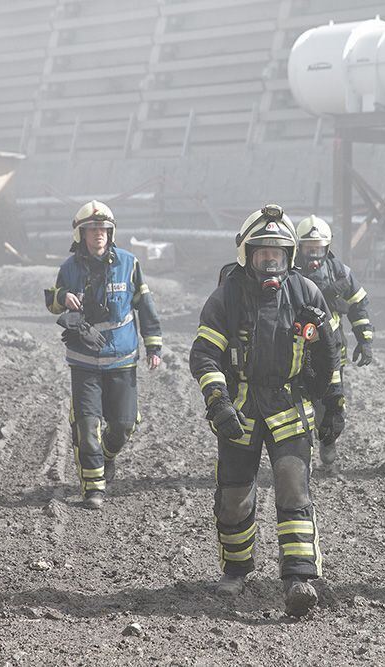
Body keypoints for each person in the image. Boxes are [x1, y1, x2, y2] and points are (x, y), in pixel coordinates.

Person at [189, 204, 345, 617]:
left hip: (289, 408)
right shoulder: (226, 297)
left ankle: (300, 577)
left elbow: (329, 357)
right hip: (238, 412)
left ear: (289, 257)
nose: (271, 263)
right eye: (263, 254)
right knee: (235, 497)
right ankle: (237, 569)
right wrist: (218, 402)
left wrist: (334, 403)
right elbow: (204, 355)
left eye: (278, 254)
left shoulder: (307, 293)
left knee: (294, 490)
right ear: (248, 255)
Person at [44, 200, 162, 509]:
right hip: (83, 361)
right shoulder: (68, 269)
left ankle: (108, 456)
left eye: (104, 230)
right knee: (87, 426)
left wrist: (154, 346)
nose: (98, 235)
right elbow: (52, 302)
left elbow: (145, 307)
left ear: (111, 234)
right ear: (80, 235)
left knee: (123, 425)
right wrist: (62, 298)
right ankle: (93, 489)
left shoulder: (129, 263)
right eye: (92, 230)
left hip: (122, 359)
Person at [294, 214, 374, 466]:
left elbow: (359, 305)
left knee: (332, 402)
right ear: (299, 248)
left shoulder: (341, 273)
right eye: (308, 249)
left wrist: (365, 340)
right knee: (298, 401)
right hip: (295, 351)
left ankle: (328, 443)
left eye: (318, 249)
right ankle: (297, 455)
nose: (313, 256)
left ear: (327, 247)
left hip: (331, 351)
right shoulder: (289, 270)